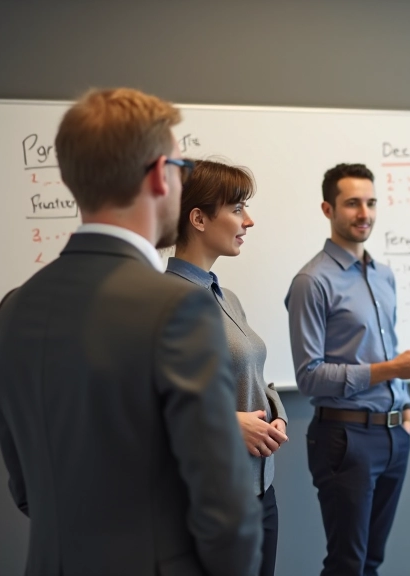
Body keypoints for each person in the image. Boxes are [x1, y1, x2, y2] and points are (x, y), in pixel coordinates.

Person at [0, 88, 262, 576]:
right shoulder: (176, 309)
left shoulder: (13, 309)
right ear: (159, 175)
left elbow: (26, 491)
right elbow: (226, 510)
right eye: (181, 167)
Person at [285, 162, 410, 576]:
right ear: (327, 209)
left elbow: (379, 351)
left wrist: (405, 412)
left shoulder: (383, 275)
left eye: (370, 202)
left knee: (372, 560)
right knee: (347, 563)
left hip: (394, 435)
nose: (363, 213)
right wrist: (392, 369)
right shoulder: (311, 281)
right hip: (345, 438)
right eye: (352, 203)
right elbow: (309, 375)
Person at [166, 159, 289, 576]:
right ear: (198, 218)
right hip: (211, 500)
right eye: (237, 209)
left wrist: (276, 417)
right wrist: (228, 423)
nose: (248, 221)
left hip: (260, 488)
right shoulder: (164, 299)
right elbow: (149, 403)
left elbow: (253, 372)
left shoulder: (226, 295)